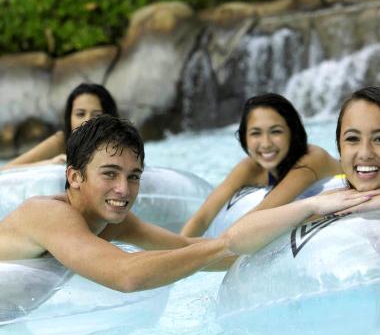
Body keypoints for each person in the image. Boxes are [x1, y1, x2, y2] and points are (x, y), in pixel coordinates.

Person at [0, 114, 368, 293]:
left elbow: (194, 251)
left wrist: (309, 218)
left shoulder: (114, 222)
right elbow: (127, 275)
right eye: (109, 173)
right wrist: (225, 242)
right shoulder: (47, 214)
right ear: (74, 177)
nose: (123, 189)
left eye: (133, 176)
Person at [223, 86, 380, 255]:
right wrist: (310, 205)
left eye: (379, 139)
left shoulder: (312, 162)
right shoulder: (335, 201)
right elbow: (234, 239)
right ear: (339, 149)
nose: (365, 153)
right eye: (352, 139)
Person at [181, 93, 342, 237]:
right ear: (244, 138)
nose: (265, 144)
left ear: (292, 133)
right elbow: (202, 219)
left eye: (276, 131)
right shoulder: (250, 168)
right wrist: (178, 250)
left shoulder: (312, 160)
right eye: (256, 133)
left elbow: (256, 218)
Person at [1, 83, 119, 169]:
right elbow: (5, 170)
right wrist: (49, 163)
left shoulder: (120, 145)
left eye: (96, 115)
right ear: (69, 117)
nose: (87, 121)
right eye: (80, 114)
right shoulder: (61, 141)